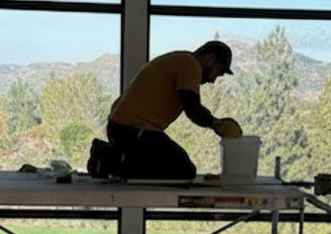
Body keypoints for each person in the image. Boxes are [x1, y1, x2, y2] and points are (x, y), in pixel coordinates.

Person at [87, 41, 243, 180]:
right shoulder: (190, 65)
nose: (213, 80)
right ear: (210, 59)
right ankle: (108, 160)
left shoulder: (181, 60)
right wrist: (216, 124)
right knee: (183, 170)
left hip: (125, 127)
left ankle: (114, 157)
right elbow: (192, 108)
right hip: (133, 129)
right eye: (218, 72)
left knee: (174, 166)